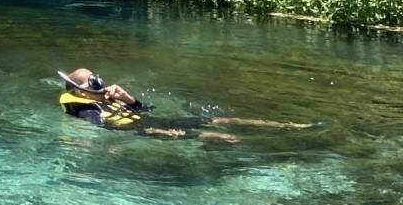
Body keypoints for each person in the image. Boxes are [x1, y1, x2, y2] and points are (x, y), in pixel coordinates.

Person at [57, 68, 311, 141]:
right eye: (95, 86)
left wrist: (128, 99)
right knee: (218, 135)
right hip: (144, 130)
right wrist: (156, 131)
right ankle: (260, 142)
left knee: (220, 119)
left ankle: (285, 126)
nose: (102, 88)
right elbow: (99, 129)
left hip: (148, 122)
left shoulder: (107, 99)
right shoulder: (86, 109)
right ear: (83, 93)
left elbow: (146, 110)